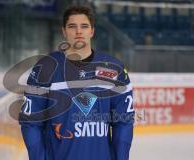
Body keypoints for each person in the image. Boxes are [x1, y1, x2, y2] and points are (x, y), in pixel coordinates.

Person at [19, 5, 134, 160]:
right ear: (64, 31)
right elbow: (31, 123)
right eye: (72, 26)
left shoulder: (114, 68)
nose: (79, 31)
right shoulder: (46, 68)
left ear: (92, 31)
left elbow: (123, 123)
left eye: (84, 26)